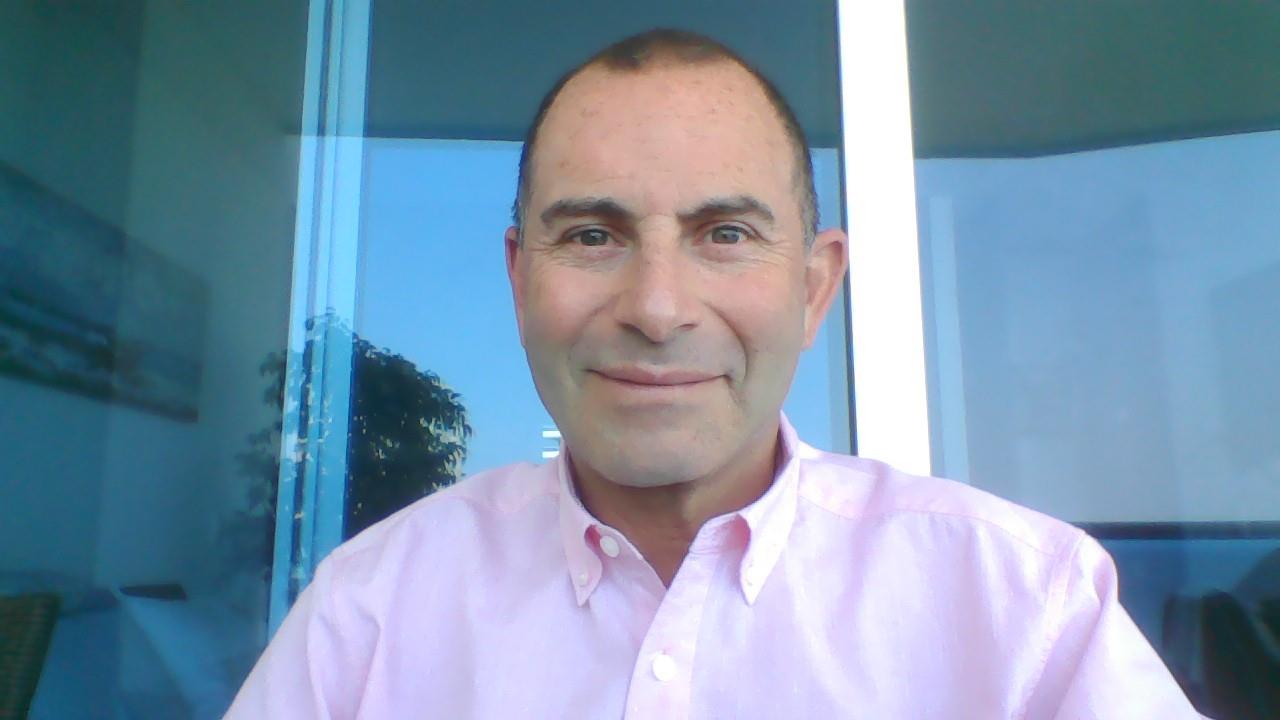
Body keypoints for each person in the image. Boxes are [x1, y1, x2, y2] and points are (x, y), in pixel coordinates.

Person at [226, 29, 1204, 719]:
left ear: (814, 288)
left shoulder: (1023, 607)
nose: (657, 308)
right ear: (520, 281)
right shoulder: (369, 613)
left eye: (725, 234)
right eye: (593, 235)